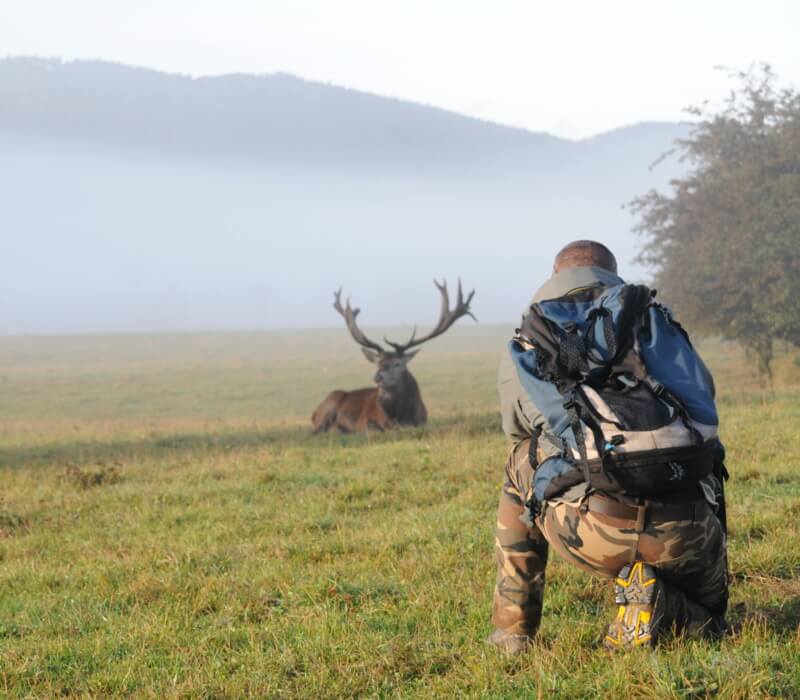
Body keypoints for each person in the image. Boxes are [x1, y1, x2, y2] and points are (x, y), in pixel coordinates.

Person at [488, 240, 729, 654]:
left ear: (554, 275)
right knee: (710, 451)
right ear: (613, 274)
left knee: (519, 458)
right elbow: (705, 410)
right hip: (688, 535)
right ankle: (691, 611)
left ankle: (513, 633)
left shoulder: (531, 336)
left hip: (592, 532)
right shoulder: (652, 322)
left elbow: (518, 432)